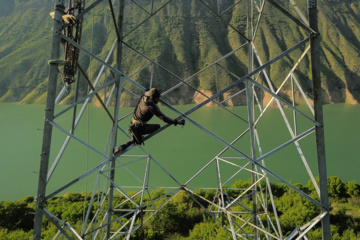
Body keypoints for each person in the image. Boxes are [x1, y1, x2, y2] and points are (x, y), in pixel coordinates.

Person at [113, 88, 184, 155]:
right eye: (157, 98)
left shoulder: (144, 96)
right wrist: (176, 122)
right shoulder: (151, 107)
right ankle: (125, 144)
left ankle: (120, 147)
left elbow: (147, 91)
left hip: (133, 123)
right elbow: (163, 118)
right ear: (152, 98)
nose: (159, 99)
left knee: (134, 139)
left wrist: (148, 90)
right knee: (157, 127)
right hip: (139, 127)